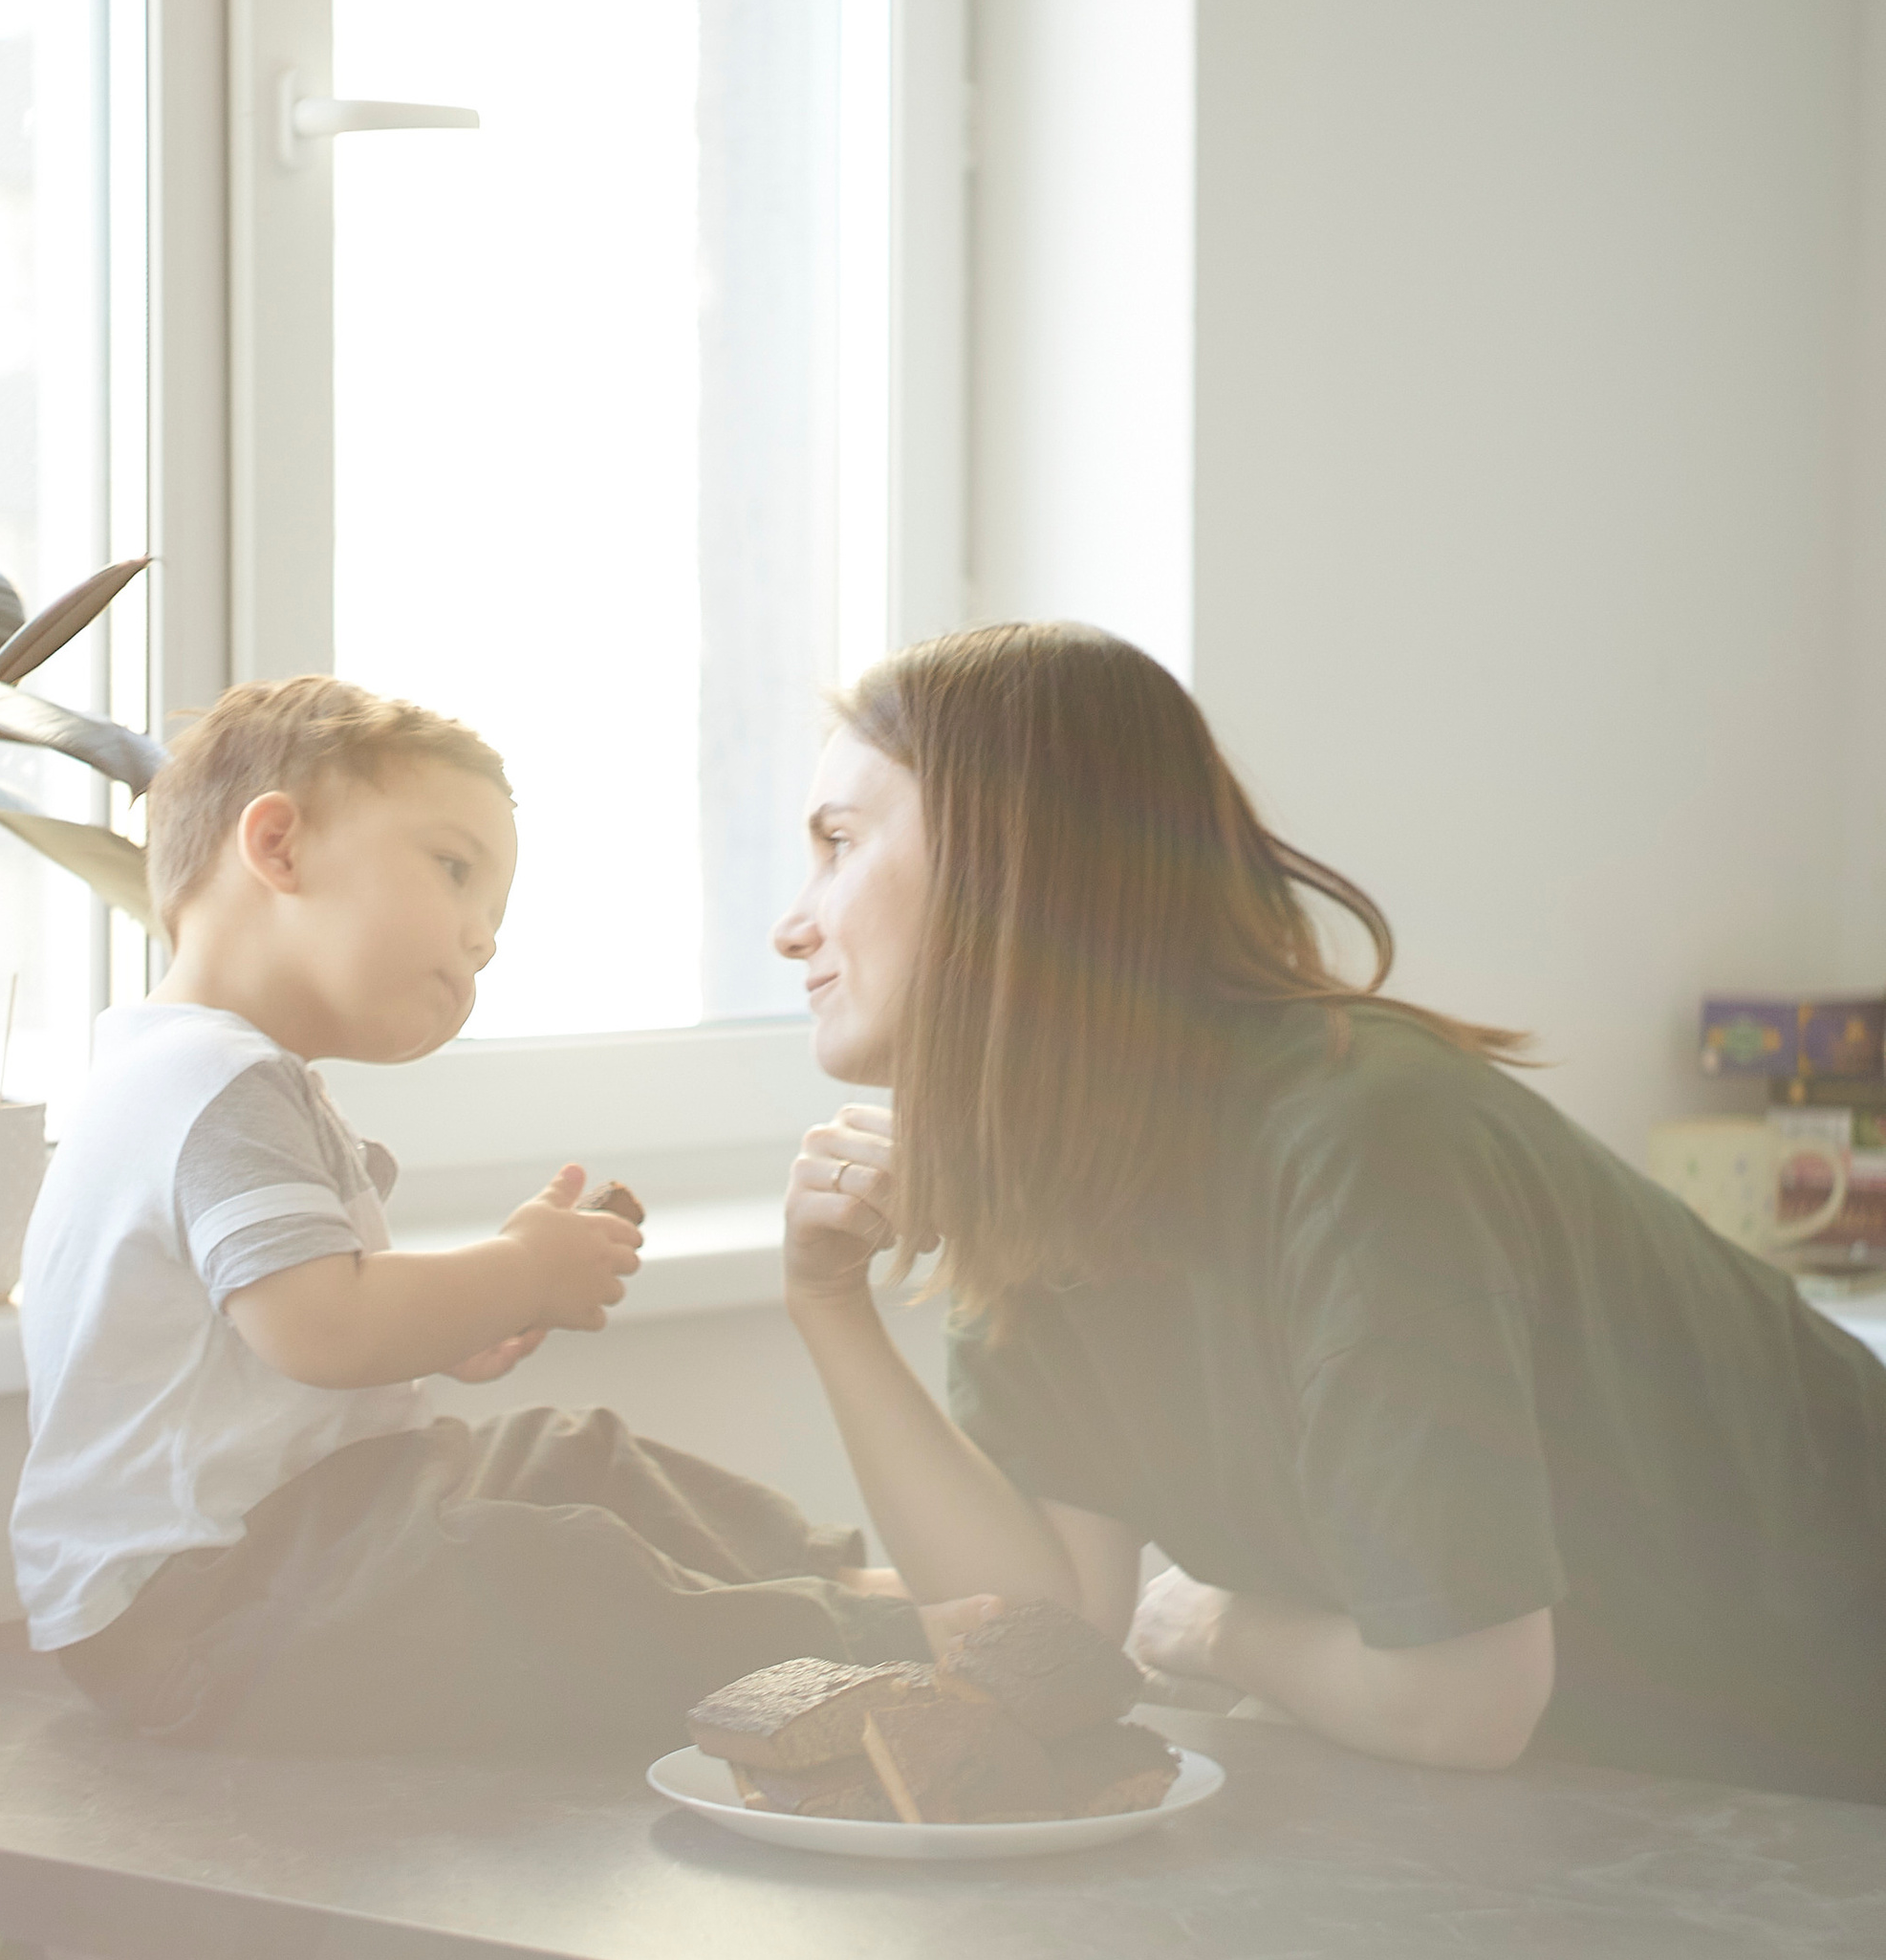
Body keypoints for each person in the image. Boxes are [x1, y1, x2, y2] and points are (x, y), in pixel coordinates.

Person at [774, 620, 1886, 1798]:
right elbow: (1048, 1630)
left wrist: (1216, 1629)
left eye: (839, 843)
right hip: (1669, 1805)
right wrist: (827, 1307)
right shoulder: (1060, 1184)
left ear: (1010, 854)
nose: (792, 923)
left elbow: (1463, 1705)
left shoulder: (1367, 1140)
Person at [15, 674, 946, 1753]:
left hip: (300, 1532)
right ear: (276, 847)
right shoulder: (215, 1082)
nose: (482, 939)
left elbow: (282, 1330)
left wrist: (452, 1323)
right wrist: (511, 1269)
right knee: (545, 1571)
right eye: (455, 871)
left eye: (494, 915)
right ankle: (859, 1645)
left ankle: (844, 1578)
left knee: (567, 1455)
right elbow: (319, 1327)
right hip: (205, 1605)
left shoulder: (197, 1072)